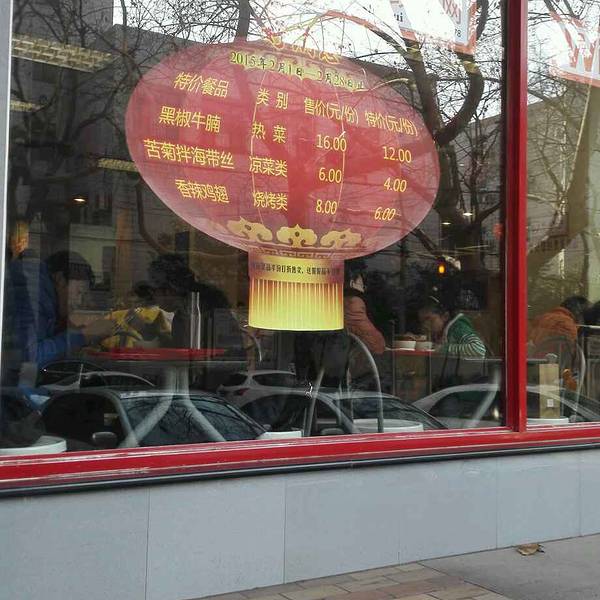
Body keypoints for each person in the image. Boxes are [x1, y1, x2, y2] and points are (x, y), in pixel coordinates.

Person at [3, 249, 115, 383]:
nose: (79, 302)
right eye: (79, 292)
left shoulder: (43, 295)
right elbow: (30, 358)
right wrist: (82, 335)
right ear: (60, 279)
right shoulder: (31, 295)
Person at [148, 253, 242, 353]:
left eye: (154, 291)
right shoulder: (181, 317)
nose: (154, 297)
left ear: (169, 291)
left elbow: (229, 353)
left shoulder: (207, 313)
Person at [418, 296, 486, 358]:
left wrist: (442, 349)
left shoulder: (458, 327)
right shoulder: (438, 332)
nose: (425, 325)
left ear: (445, 316)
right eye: (422, 321)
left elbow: (478, 349)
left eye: (428, 319)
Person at [343, 262, 386, 355]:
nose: (364, 289)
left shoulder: (330, 301)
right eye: (362, 285)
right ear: (352, 283)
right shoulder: (353, 303)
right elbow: (376, 344)